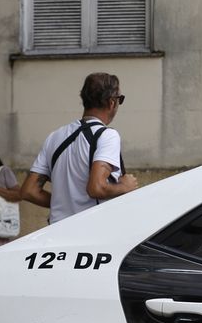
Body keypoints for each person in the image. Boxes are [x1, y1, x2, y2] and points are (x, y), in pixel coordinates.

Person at [21, 72, 139, 224]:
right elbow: (96, 188)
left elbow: (28, 191)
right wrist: (125, 186)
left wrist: (62, 205)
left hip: (56, 231)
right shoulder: (108, 136)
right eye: (120, 99)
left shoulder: (55, 137)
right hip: (90, 232)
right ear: (111, 102)